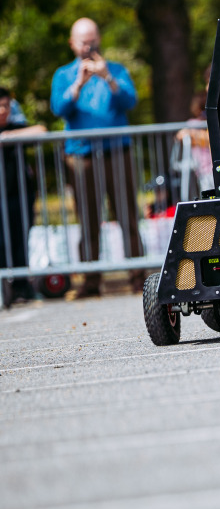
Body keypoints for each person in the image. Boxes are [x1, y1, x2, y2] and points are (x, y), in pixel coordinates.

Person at [50, 17, 144, 298]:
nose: (88, 45)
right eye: (82, 40)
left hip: (117, 151)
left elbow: (130, 101)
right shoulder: (63, 74)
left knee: (127, 214)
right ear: (72, 43)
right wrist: (78, 83)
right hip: (82, 156)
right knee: (88, 218)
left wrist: (108, 78)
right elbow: (59, 108)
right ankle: (91, 281)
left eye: (92, 39)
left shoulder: (116, 70)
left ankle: (138, 277)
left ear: (99, 39)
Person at [0, 88, 46, 303]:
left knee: (20, 240)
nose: (2, 110)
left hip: (19, 194)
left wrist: (7, 136)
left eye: (6, 106)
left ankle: (21, 288)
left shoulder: (14, 128)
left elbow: (41, 130)